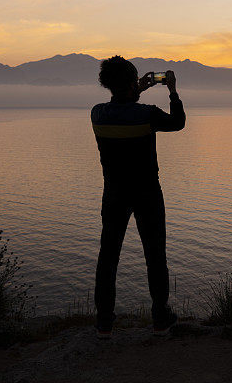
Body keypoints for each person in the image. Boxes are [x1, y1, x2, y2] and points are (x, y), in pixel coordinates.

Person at [90, 56, 185, 338]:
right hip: (147, 193)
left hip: (114, 193)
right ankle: (159, 318)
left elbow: (121, 107)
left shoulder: (97, 114)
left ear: (107, 84)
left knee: (108, 256)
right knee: (155, 255)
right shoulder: (148, 114)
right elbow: (178, 123)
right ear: (132, 83)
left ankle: (104, 323)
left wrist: (134, 90)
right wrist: (172, 91)